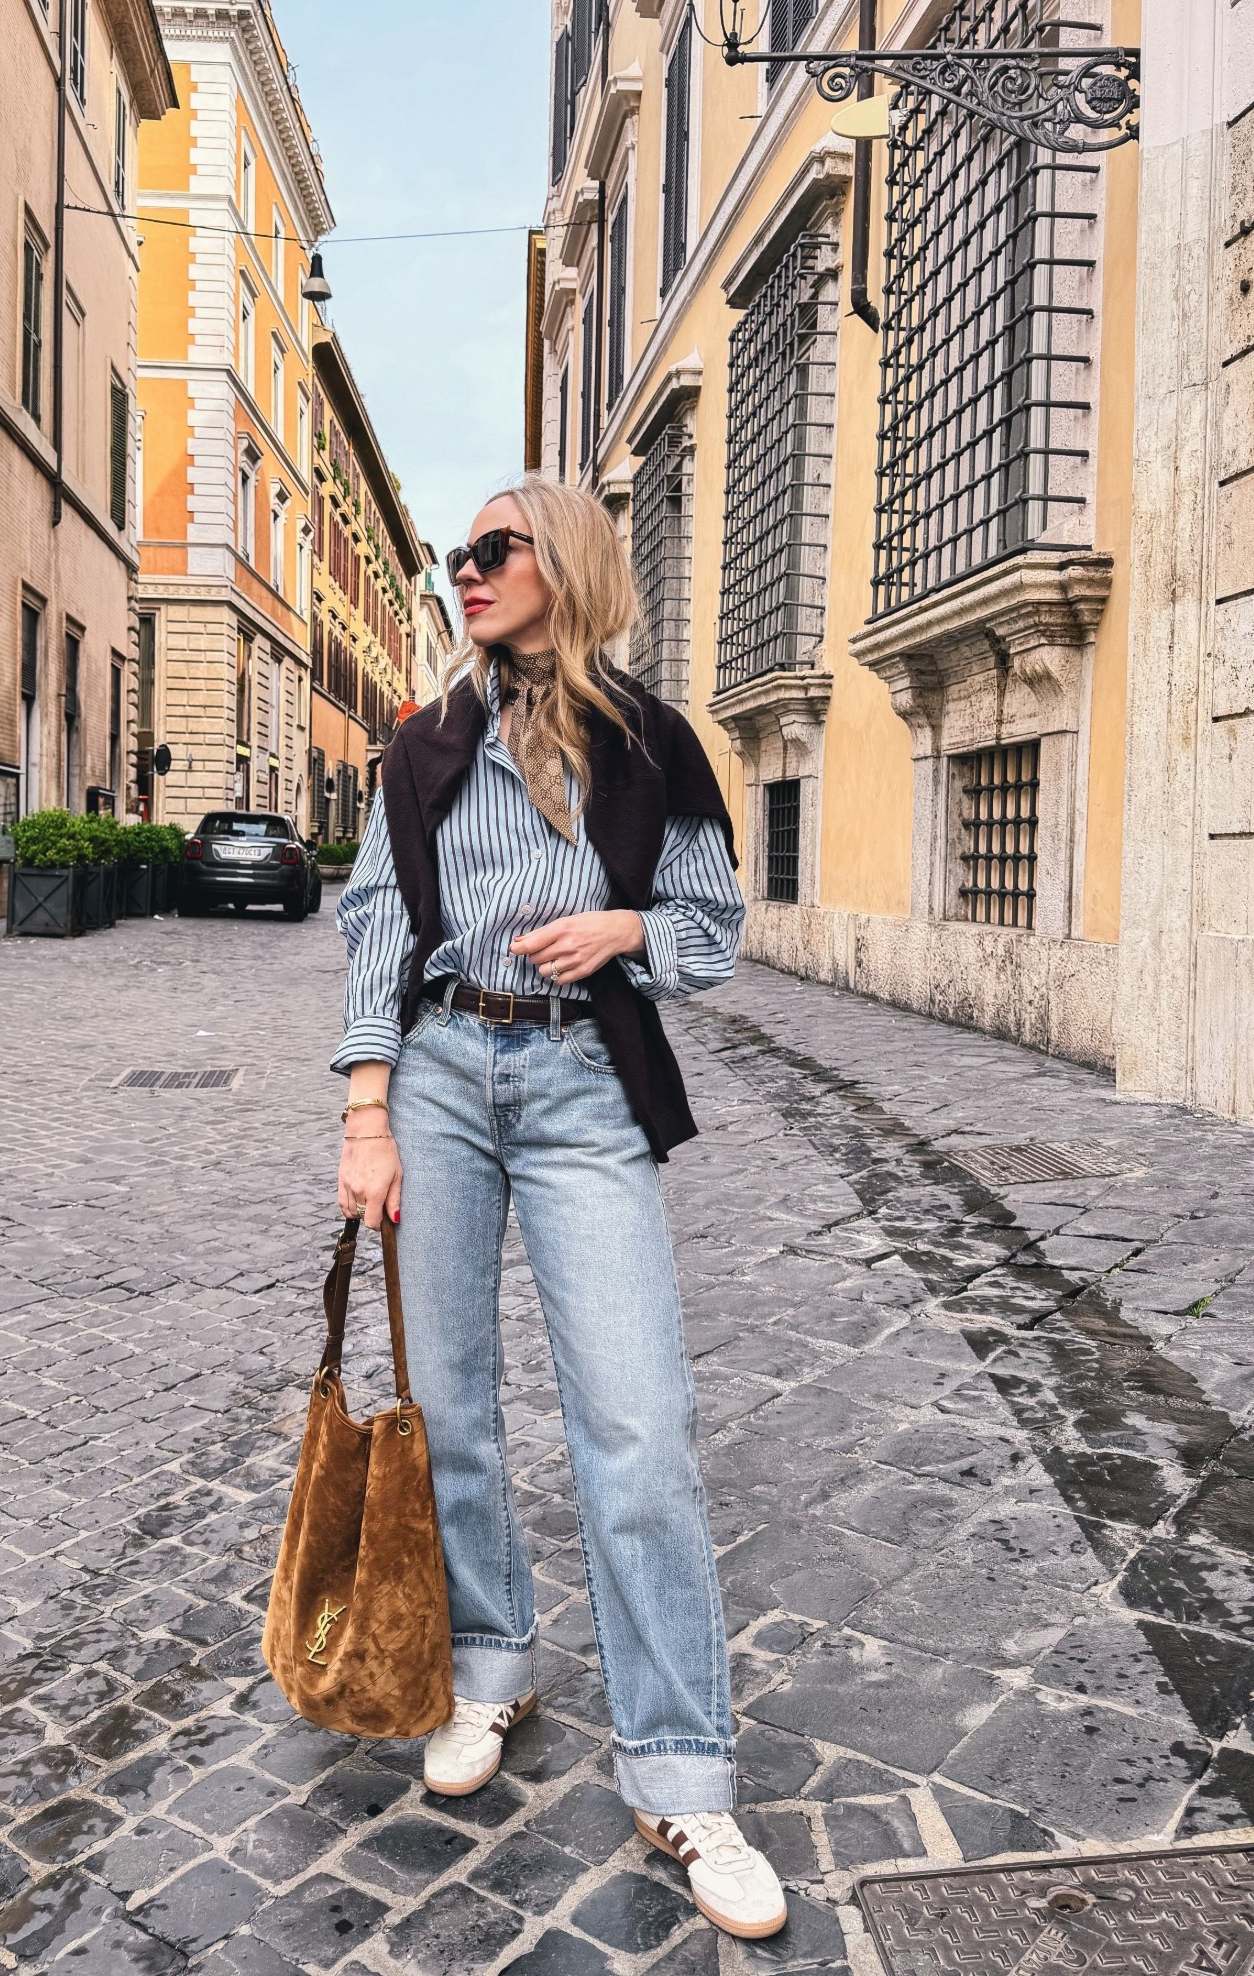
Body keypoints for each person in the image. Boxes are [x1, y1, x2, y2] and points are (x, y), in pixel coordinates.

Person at [331, 475, 786, 1940]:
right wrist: (364, 1111)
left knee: (638, 1423)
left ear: (566, 563)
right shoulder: (426, 744)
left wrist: (633, 926)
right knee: (453, 1404)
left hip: (588, 1081)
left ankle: (680, 1771)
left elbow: (716, 936)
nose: (466, 573)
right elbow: (376, 928)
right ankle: (488, 1668)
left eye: (493, 552)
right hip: (445, 1078)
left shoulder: (652, 742)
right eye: (457, 557)